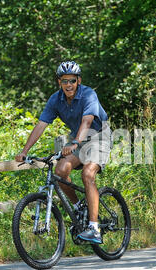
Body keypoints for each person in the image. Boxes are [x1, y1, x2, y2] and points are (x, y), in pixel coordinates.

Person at [15, 61, 112, 244]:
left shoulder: (89, 94)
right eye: (65, 81)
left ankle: (94, 228)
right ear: (59, 81)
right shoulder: (55, 99)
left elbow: (87, 122)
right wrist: (24, 151)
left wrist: (75, 142)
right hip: (79, 139)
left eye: (73, 81)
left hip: (99, 136)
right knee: (60, 171)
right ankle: (77, 207)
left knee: (88, 174)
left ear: (79, 81)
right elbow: (41, 125)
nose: (69, 85)